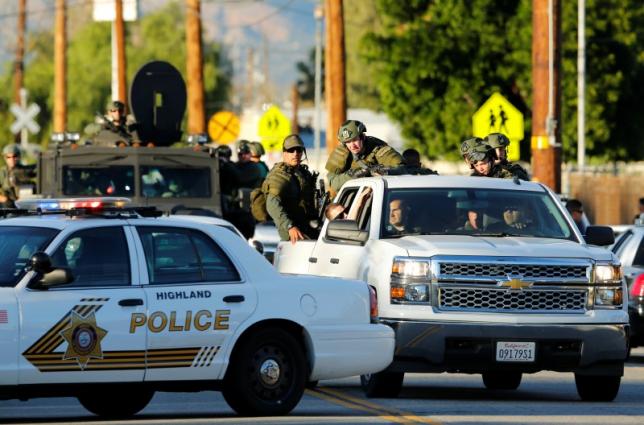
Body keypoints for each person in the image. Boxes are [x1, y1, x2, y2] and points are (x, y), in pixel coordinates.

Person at [264, 134, 318, 243]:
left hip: (309, 228)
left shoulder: (303, 173)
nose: (295, 154)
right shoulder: (279, 175)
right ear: (284, 153)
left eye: (298, 150)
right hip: (293, 236)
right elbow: (271, 204)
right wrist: (289, 226)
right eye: (291, 150)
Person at [325, 120, 404, 192]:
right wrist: (354, 175)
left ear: (362, 137)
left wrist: (384, 171)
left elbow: (403, 168)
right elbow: (333, 182)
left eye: (355, 140)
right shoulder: (341, 153)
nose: (352, 146)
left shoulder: (378, 149)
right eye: (348, 142)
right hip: (350, 197)